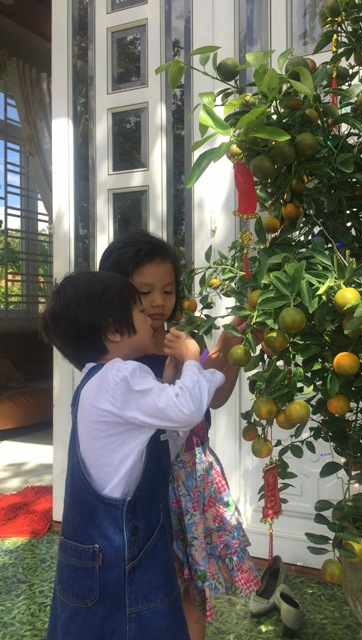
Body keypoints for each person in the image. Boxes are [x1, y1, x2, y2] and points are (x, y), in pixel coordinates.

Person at [40, 270, 226, 640]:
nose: (151, 318)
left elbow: (159, 447)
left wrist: (169, 382)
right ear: (113, 330)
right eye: (140, 311)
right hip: (125, 564)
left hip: (97, 562)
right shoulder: (119, 377)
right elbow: (188, 410)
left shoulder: (97, 382)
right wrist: (192, 359)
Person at [99, 231, 261, 640]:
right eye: (144, 292)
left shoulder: (187, 339)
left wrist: (230, 350)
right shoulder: (122, 356)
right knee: (155, 584)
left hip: (194, 478)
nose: (158, 301)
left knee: (191, 586)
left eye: (168, 290)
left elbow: (213, 396)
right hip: (153, 484)